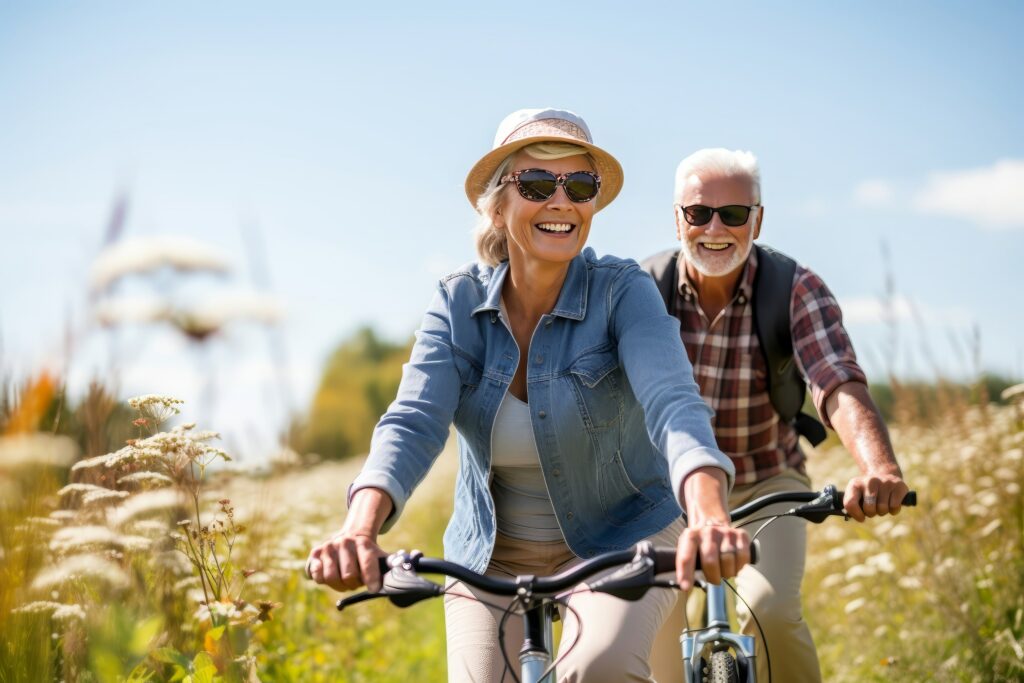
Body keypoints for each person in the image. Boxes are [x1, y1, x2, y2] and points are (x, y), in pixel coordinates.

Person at [306, 109, 751, 682]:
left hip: (624, 534)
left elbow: (672, 400)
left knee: (597, 669)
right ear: (497, 205)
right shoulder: (456, 304)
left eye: (580, 185)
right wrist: (358, 529)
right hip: (492, 555)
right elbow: (412, 422)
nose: (562, 201)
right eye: (538, 184)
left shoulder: (623, 291)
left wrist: (709, 514)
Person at [641, 148, 910, 683]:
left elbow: (835, 380)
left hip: (768, 481)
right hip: (660, 491)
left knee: (770, 613)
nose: (715, 228)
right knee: (653, 626)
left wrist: (878, 467)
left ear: (757, 220)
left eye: (734, 214)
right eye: (698, 213)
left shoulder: (794, 288)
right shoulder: (642, 290)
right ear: (677, 218)